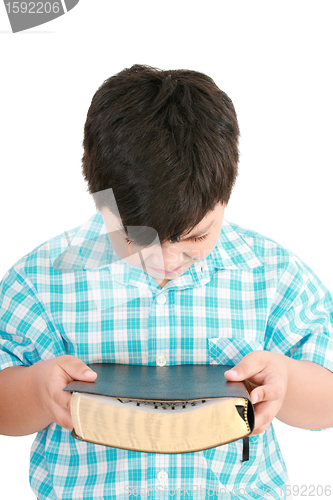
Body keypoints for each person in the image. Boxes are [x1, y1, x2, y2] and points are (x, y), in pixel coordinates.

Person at [0, 64, 332, 500]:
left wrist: (285, 379)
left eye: (196, 236)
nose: (168, 260)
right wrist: (37, 391)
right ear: (99, 198)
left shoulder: (272, 275)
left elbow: (326, 401)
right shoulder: (42, 280)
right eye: (137, 238)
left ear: (225, 196)